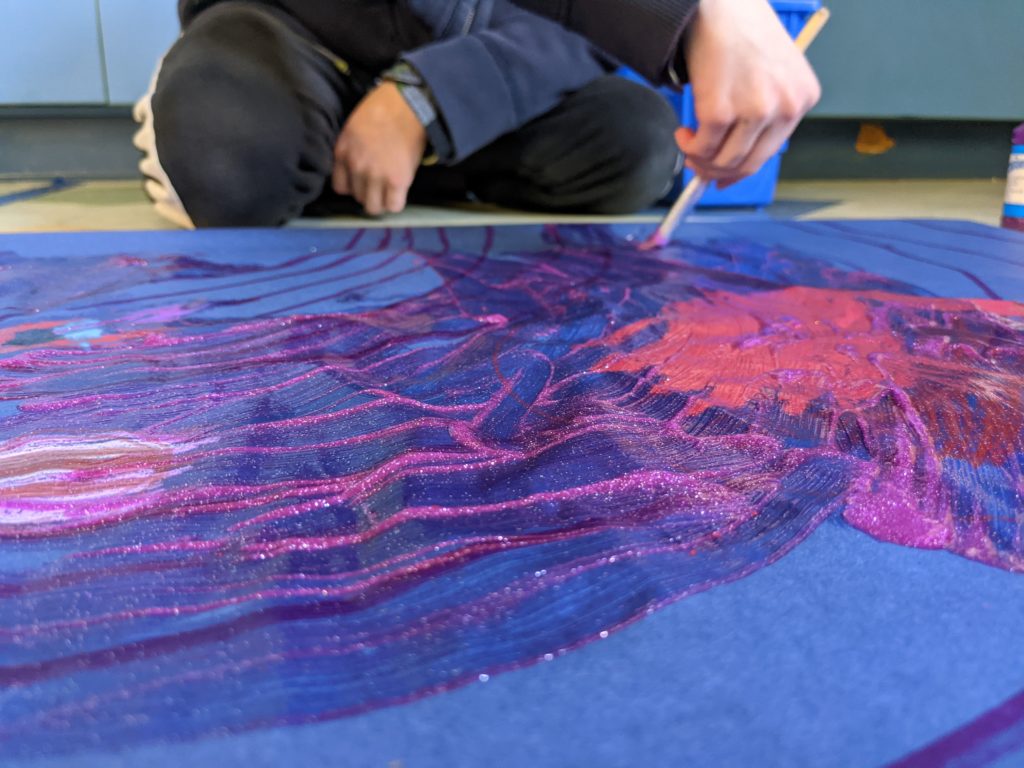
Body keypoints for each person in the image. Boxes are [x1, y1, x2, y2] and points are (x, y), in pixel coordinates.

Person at [135, 0, 820, 229]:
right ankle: (307, 146)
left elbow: (580, 35)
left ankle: (397, 162)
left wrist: (426, 102)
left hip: (496, 45)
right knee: (228, 147)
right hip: (298, 35)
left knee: (638, 141)